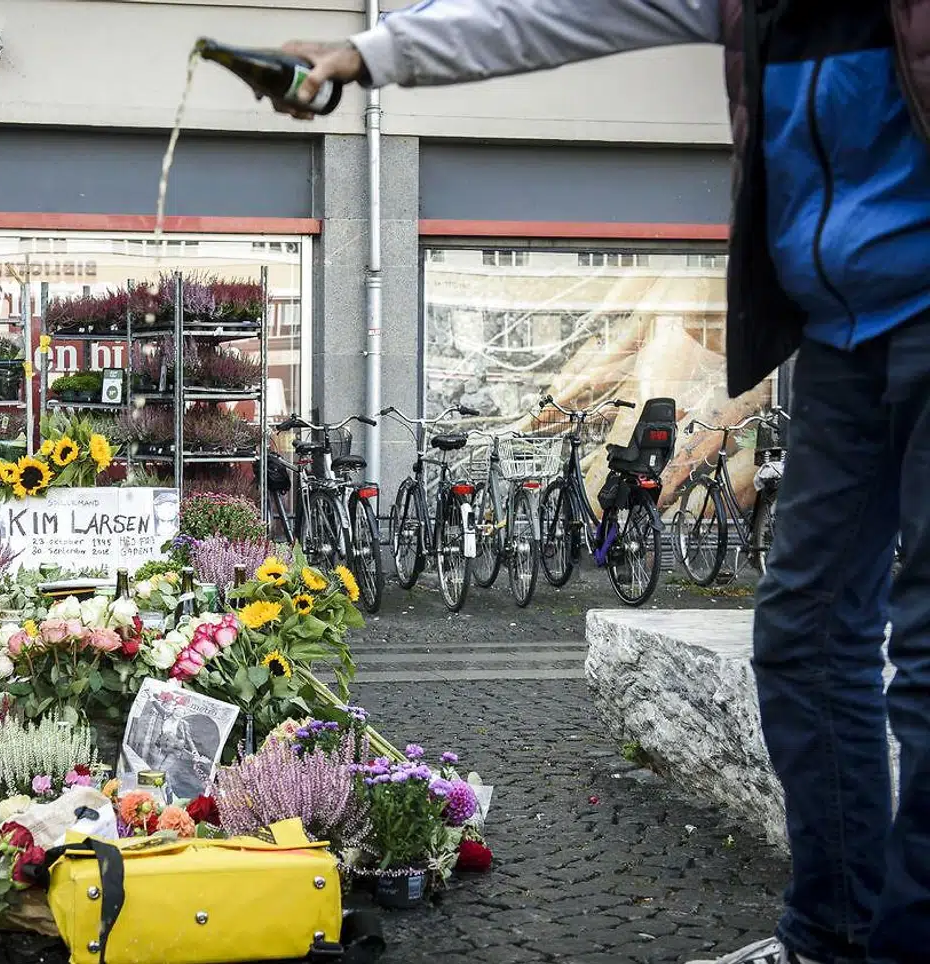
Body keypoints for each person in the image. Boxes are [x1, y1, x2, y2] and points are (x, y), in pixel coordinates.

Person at [277, 5, 930, 964]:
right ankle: (829, 936)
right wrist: (367, 51)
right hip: (835, 334)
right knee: (802, 632)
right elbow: (555, 12)